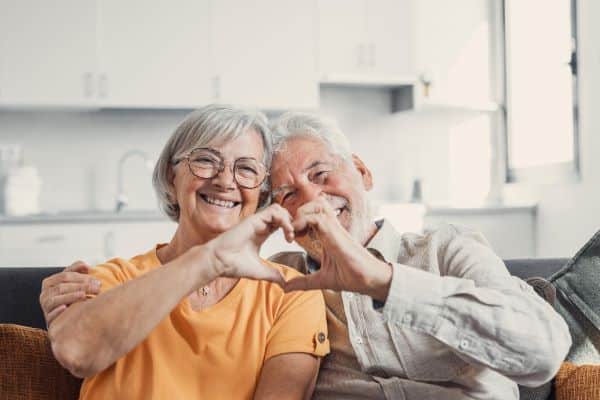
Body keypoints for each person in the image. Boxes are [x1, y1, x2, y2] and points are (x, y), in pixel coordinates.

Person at [42, 111, 571, 400]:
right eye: (290, 193)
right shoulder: (288, 283)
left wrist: (385, 281)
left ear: (361, 172)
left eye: (322, 175)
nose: (313, 199)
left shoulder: (446, 250)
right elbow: (82, 347)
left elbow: (542, 354)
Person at [42, 105, 329, 400]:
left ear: (261, 194)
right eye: (206, 160)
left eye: (245, 168)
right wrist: (207, 260)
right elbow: (76, 351)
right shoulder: (114, 278)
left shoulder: (291, 294)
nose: (225, 181)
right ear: (171, 176)